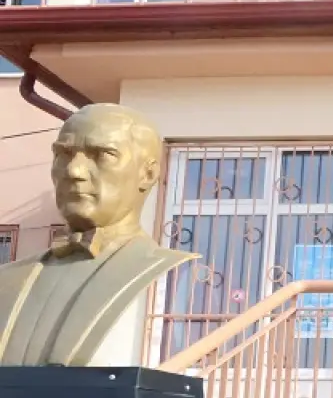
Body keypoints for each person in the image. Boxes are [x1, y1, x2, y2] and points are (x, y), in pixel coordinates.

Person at [0, 103, 197, 366]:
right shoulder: (8, 278)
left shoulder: (170, 273)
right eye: (64, 154)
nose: (74, 171)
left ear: (147, 174)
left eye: (102, 154)